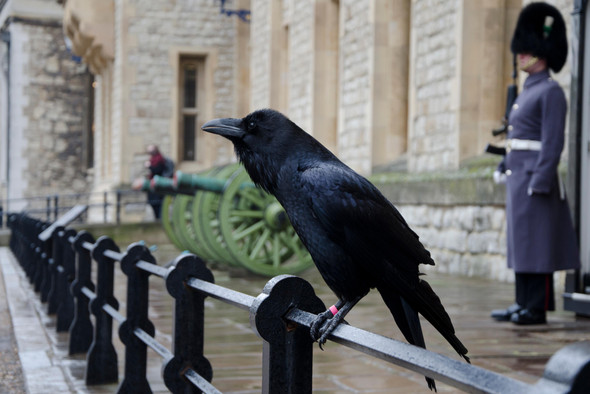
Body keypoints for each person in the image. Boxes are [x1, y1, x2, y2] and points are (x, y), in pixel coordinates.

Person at [491, 2, 580, 325]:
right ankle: (521, 302)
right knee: (522, 242)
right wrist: (504, 166)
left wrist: (541, 179)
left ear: (540, 53)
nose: (520, 55)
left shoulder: (551, 92)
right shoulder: (528, 92)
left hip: (535, 178)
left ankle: (537, 307)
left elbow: (553, 141)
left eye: (526, 51)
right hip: (519, 176)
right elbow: (516, 138)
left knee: (538, 244)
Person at [134, 144, 174, 219]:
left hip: (158, 190)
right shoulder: (153, 160)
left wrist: (150, 166)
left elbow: (157, 171)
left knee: (158, 208)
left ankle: (159, 220)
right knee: (155, 207)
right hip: (153, 191)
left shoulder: (159, 160)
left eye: (151, 151)